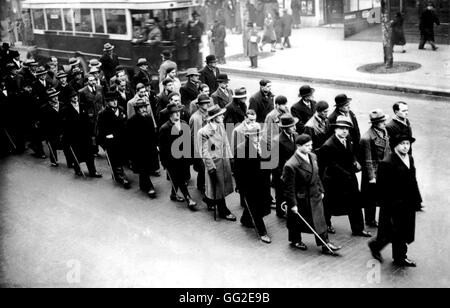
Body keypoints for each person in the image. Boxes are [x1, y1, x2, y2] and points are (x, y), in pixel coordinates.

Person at [368, 134, 422, 267]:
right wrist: (390, 206)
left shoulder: (410, 158)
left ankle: (395, 255)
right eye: (402, 144)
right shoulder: (387, 163)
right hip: (393, 204)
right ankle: (386, 251)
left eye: (408, 144)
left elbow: (413, 180)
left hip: (407, 203)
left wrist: (417, 200)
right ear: (396, 145)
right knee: (393, 231)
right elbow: (382, 188)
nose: (405, 147)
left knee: (402, 231)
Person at [283, 134, 341, 254]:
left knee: (320, 219)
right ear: (298, 146)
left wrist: (321, 190)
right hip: (302, 198)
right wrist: (292, 204)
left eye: (311, 145)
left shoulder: (313, 156)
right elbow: (289, 188)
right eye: (307, 145)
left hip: (315, 194)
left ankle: (325, 244)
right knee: (297, 221)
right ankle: (295, 240)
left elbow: (317, 175)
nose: (310, 147)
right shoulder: (291, 165)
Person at [317, 115, 371, 237]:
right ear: (335, 129)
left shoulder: (349, 139)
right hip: (334, 180)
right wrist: (348, 173)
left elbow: (351, 154)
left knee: (355, 203)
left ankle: (358, 229)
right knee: (329, 204)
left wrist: (355, 162)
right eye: (341, 128)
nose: (345, 131)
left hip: (349, 178)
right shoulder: (328, 145)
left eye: (346, 128)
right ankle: (326, 224)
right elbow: (331, 165)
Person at [234, 121, 272, 243]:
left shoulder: (264, 144)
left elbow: (268, 161)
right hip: (250, 184)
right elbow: (238, 170)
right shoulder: (241, 148)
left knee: (259, 204)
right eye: (254, 135)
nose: (258, 137)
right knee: (256, 207)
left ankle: (245, 219)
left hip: (263, 181)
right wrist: (240, 186)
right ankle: (262, 231)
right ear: (247, 136)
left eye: (259, 134)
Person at [198, 105, 236, 221]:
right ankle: (223, 211)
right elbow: (203, 151)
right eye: (220, 115)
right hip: (214, 164)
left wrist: (230, 158)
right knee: (218, 188)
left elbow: (226, 143)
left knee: (221, 186)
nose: (223, 116)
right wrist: (210, 167)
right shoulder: (203, 132)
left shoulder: (220, 126)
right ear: (214, 117)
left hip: (224, 161)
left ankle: (208, 200)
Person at [159, 102, 197, 209]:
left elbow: (189, 141)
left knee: (178, 178)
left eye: (178, 112)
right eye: (174, 113)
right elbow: (163, 148)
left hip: (184, 157)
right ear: (169, 115)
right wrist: (164, 162)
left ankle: (173, 194)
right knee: (180, 178)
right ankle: (188, 198)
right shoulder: (165, 128)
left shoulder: (184, 123)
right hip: (172, 160)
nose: (177, 114)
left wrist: (191, 156)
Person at [61, 88, 102, 178]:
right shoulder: (66, 109)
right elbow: (65, 125)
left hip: (85, 135)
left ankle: (93, 171)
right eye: (72, 97)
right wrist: (67, 137)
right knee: (76, 153)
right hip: (74, 136)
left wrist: (91, 133)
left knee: (90, 154)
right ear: (69, 98)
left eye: (75, 96)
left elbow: (87, 120)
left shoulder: (82, 106)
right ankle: (77, 169)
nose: (75, 98)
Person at [359, 109, 390, 228]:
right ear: (376, 123)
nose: (385, 123)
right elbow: (367, 160)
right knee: (370, 198)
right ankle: (370, 220)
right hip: (372, 172)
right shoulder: (367, 138)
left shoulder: (384, 131)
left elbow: (388, 149)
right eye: (382, 121)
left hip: (383, 169)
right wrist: (371, 177)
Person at [97, 92, 130, 189]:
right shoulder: (103, 114)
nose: (115, 102)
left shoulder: (121, 110)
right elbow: (100, 130)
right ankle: (120, 176)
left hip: (122, 139)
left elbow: (125, 124)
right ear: (107, 102)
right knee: (115, 159)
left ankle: (118, 173)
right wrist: (103, 143)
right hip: (111, 141)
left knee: (122, 157)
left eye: (116, 100)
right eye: (112, 100)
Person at [126, 99, 159, 198]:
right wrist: (130, 152)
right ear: (137, 109)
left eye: (145, 107)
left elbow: (153, 133)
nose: (144, 109)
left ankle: (142, 184)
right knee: (143, 168)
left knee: (147, 168)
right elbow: (129, 138)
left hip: (149, 147)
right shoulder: (131, 121)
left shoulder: (148, 118)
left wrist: (156, 145)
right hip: (138, 150)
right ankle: (149, 187)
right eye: (141, 108)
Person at [272, 114, 298, 218]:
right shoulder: (277, 140)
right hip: (282, 172)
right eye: (292, 126)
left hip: (294, 170)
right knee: (281, 193)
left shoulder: (295, 135)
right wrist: (280, 175)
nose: (294, 128)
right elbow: (274, 161)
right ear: (285, 128)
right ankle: (281, 211)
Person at [190, 94, 212, 194]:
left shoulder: (209, 113)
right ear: (199, 105)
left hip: (209, 144)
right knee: (202, 169)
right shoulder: (195, 118)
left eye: (207, 102)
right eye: (204, 103)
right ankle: (201, 186)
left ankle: (204, 184)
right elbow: (194, 136)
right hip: (200, 147)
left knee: (208, 167)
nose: (207, 105)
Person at [78, 73, 105, 155]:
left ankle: (104, 146)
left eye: (94, 80)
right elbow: (81, 105)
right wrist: (87, 113)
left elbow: (102, 100)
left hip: (100, 113)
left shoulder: (99, 88)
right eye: (91, 80)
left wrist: (103, 108)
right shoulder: (82, 92)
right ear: (87, 82)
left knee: (101, 131)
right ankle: (94, 150)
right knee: (93, 134)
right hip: (91, 116)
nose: (93, 82)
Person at [38, 88, 63, 167]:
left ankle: (71, 161)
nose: (56, 98)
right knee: (52, 145)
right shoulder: (44, 108)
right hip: (51, 130)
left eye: (56, 96)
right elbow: (43, 122)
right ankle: (54, 160)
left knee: (66, 144)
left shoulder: (62, 104)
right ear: (49, 98)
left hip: (62, 128)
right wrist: (45, 134)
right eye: (53, 97)